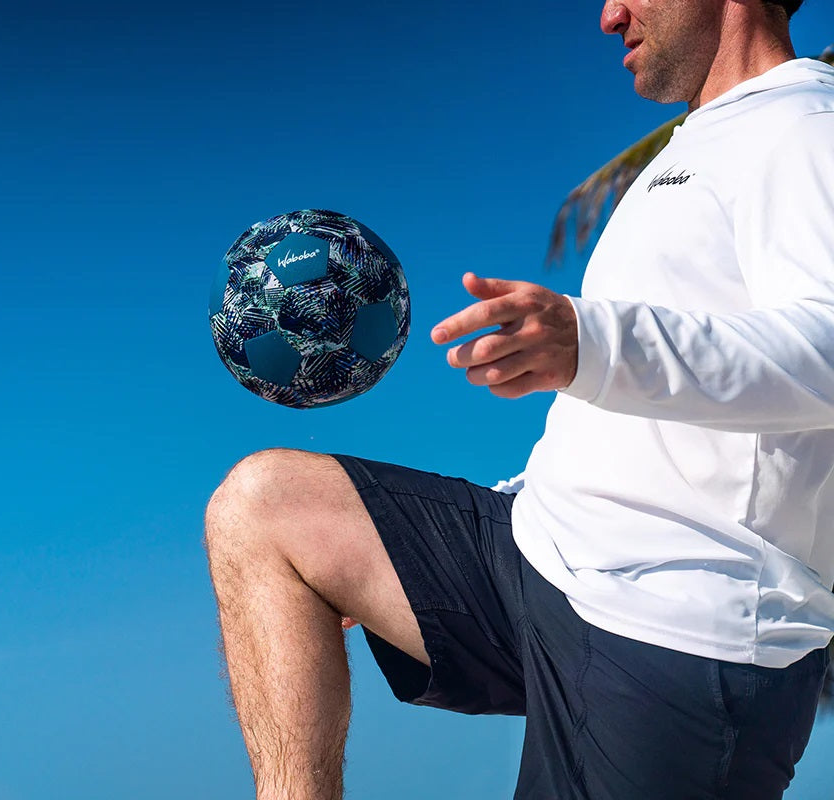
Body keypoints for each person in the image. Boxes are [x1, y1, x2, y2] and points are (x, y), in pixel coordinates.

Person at [203, 1, 834, 798]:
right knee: (264, 508)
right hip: (542, 557)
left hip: (677, 633)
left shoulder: (806, 127)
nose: (610, 15)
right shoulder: (693, 149)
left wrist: (591, 343)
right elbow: (636, 424)